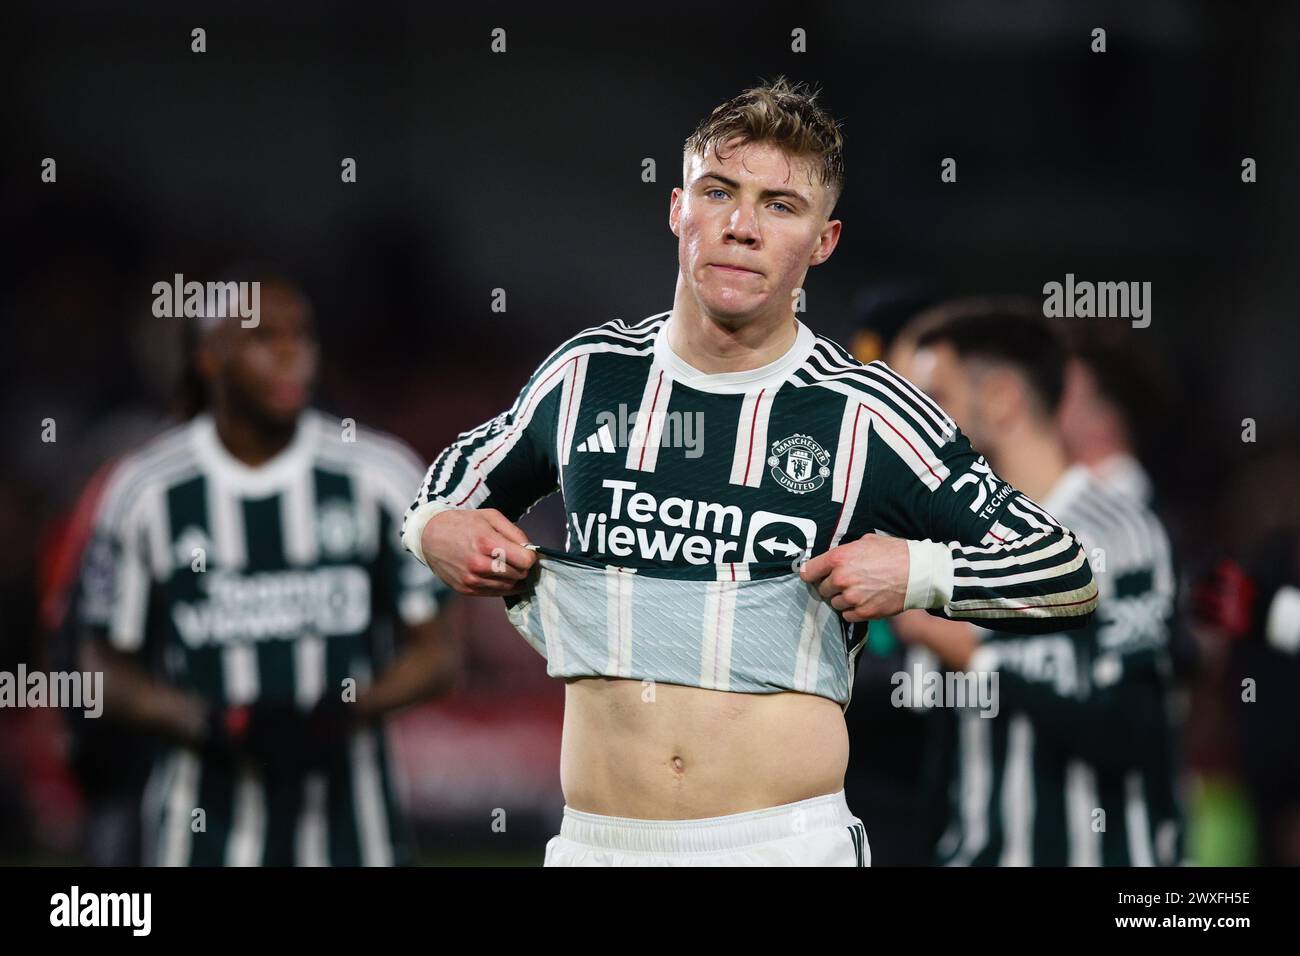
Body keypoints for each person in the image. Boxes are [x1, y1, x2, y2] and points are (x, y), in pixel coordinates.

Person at [403, 78, 1098, 867]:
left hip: (781, 845)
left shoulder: (865, 412)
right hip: (598, 844)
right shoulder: (588, 377)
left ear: (823, 241)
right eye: (719, 192)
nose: (741, 227)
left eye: (780, 205)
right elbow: (450, 487)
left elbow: (1066, 572)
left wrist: (919, 569)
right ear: (677, 210)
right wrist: (435, 528)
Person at [78, 272, 459, 865]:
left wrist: (343, 713)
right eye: (263, 338)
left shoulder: (379, 476)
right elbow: (103, 667)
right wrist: (211, 722)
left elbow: (438, 653)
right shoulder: (144, 492)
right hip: (196, 837)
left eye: (302, 336)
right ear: (209, 359)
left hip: (355, 836)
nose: (291, 354)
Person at [895, 305, 1181, 865]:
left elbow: (1133, 727)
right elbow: (933, 740)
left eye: (937, 398)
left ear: (1002, 399)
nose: (917, 424)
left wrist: (978, 653)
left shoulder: (1120, 533)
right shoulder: (952, 540)